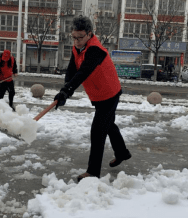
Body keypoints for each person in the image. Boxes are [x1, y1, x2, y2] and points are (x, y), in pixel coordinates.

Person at [54, 15, 131, 182]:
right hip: (99, 95)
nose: (76, 41)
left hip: (109, 95)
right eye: (73, 37)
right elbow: (72, 70)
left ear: (89, 34)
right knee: (108, 125)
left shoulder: (95, 50)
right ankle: (122, 153)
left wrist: (67, 90)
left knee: (98, 131)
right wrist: (65, 91)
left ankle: (93, 172)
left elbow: (83, 72)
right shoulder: (78, 48)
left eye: (80, 37)